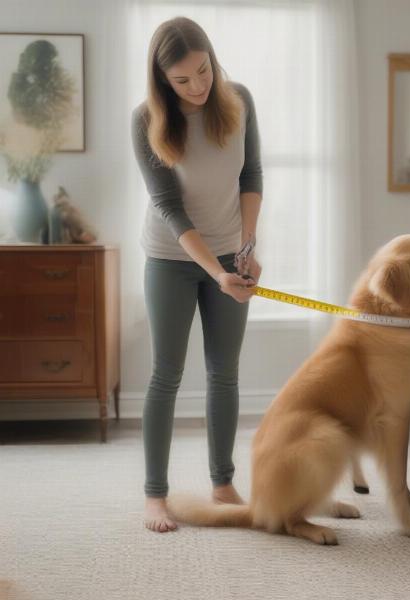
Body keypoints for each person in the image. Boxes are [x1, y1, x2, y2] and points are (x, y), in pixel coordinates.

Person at [131, 16, 262, 533]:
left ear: (212, 58)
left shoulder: (241, 100)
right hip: (170, 256)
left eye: (202, 72)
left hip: (232, 253)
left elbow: (251, 174)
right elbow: (167, 204)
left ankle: (222, 481)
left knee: (224, 372)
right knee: (166, 374)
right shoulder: (147, 119)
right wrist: (216, 269)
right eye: (182, 80)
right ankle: (155, 495)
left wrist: (245, 251)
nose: (197, 86)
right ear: (163, 80)